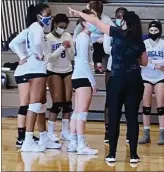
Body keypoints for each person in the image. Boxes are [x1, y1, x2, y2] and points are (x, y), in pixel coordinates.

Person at [68, 7, 148, 163]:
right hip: (134, 80)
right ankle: (133, 155)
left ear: (124, 22)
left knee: (113, 117)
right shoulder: (140, 40)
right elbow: (144, 62)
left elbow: (96, 22)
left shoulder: (116, 33)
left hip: (116, 79)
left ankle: (111, 154)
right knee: (132, 117)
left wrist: (79, 13)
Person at [10, 4, 62, 152]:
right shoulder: (37, 28)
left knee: (41, 103)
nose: (49, 17)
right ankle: (27, 140)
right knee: (34, 105)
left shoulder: (29, 29)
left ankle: (44, 137)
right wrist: (39, 54)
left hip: (33, 68)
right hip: (36, 69)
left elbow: (13, 43)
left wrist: (22, 56)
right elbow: (38, 43)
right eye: (47, 14)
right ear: (39, 15)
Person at [67, 9, 98, 155]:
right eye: (92, 21)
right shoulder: (84, 38)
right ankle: (81, 144)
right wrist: (93, 82)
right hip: (83, 77)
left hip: (77, 76)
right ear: (85, 22)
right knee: (82, 113)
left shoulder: (81, 37)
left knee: (77, 111)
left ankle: (73, 142)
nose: (96, 24)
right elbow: (84, 62)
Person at [139, 20, 164, 145]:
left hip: (160, 78)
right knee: (146, 107)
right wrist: (155, 66)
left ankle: (162, 134)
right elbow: (142, 63)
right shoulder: (144, 43)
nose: (153, 32)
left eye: (155, 30)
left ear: (160, 31)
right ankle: (146, 134)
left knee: (161, 107)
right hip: (146, 77)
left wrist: (150, 62)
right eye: (151, 31)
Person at [46, 13, 75, 142]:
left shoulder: (68, 36)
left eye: (65, 27)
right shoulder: (48, 38)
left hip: (67, 69)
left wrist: (68, 48)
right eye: (60, 26)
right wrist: (61, 47)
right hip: (53, 71)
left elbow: (73, 56)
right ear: (55, 24)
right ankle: (50, 132)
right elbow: (49, 57)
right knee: (57, 103)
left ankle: (65, 131)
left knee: (67, 103)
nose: (62, 29)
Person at [9, 30, 39, 148]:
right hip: (23, 72)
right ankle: (21, 137)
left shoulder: (36, 35)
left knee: (32, 105)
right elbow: (12, 44)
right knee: (24, 105)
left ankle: (27, 135)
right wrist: (22, 56)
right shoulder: (27, 34)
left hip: (30, 71)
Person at [103, 7, 128, 144]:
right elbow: (107, 49)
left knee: (128, 101)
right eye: (118, 16)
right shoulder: (110, 31)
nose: (120, 18)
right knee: (110, 102)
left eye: (123, 16)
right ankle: (108, 130)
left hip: (127, 70)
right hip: (112, 69)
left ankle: (130, 132)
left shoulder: (130, 31)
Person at [73, 1, 113, 74]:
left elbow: (113, 31)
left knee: (97, 46)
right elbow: (77, 30)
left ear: (93, 11)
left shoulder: (106, 19)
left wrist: (104, 38)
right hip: (89, 40)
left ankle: (98, 65)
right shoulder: (85, 20)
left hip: (101, 42)